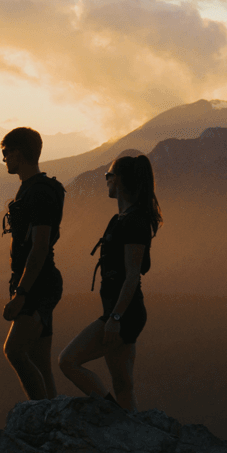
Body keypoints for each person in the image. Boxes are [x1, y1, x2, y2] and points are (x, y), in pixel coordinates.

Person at [59, 154, 159, 411]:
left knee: (68, 361)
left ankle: (111, 415)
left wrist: (114, 319)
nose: (106, 180)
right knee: (123, 382)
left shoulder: (133, 222)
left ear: (120, 180)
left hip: (122, 313)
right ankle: (131, 430)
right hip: (125, 311)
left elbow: (132, 275)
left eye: (108, 175)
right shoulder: (127, 218)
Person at [0, 127, 63, 401]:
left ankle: (41, 417)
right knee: (39, 363)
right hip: (40, 282)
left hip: (38, 285)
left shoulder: (37, 193)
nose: (4, 160)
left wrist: (21, 294)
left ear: (18, 152)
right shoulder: (33, 189)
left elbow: (39, 248)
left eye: (6, 153)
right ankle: (54, 418)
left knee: (14, 351)